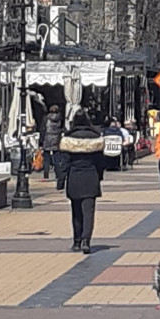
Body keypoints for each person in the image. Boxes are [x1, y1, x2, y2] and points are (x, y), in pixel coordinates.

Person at [59, 112, 115, 254]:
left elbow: (64, 163)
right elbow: (101, 162)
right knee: (88, 212)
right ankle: (86, 241)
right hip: (90, 176)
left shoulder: (68, 138)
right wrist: (99, 176)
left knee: (76, 212)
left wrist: (61, 181)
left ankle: (77, 241)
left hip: (74, 178)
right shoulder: (96, 137)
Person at [39, 105, 64, 180]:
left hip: (47, 138)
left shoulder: (46, 118)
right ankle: (58, 174)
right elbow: (62, 128)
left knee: (46, 157)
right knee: (56, 157)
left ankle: (46, 175)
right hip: (56, 138)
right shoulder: (60, 118)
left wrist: (41, 141)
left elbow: (43, 129)